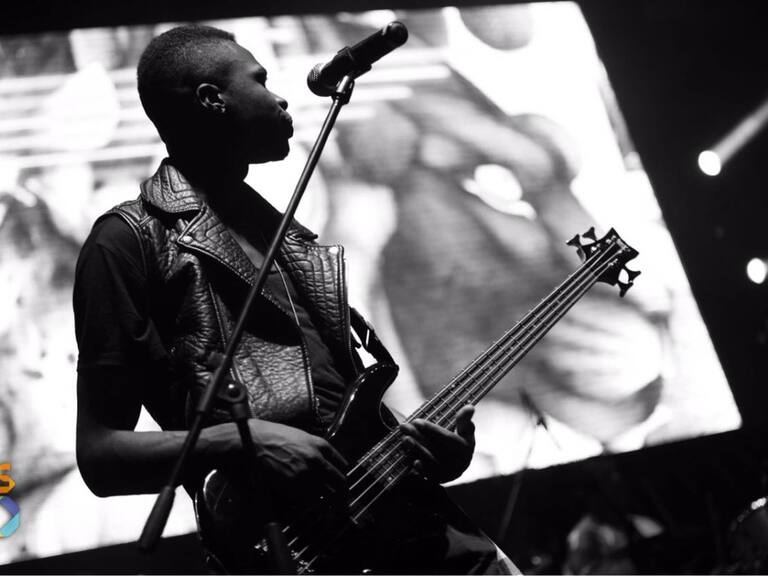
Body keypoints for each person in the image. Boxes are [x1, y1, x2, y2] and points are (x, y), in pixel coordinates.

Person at [73, 24, 517, 574]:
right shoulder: (126, 242)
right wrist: (242, 441)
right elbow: (100, 456)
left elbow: (337, 407)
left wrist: (425, 453)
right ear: (212, 99)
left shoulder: (286, 236)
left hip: (435, 541)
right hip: (300, 555)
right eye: (260, 80)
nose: (280, 98)